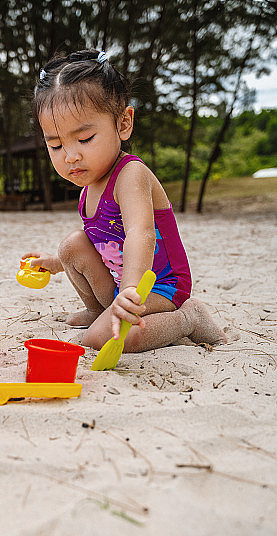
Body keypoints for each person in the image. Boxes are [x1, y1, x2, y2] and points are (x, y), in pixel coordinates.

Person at [22, 49, 226, 352]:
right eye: (55, 144)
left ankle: (188, 318)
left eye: (85, 138)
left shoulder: (130, 174)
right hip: (123, 284)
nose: (70, 155)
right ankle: (98, 311)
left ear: (123, 123)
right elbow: (99, 246)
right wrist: (56, 263)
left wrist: (131, 290)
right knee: (71, 245)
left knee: (102, 340)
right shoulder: (88, 188)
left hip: (160, 285)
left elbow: (140, 234)